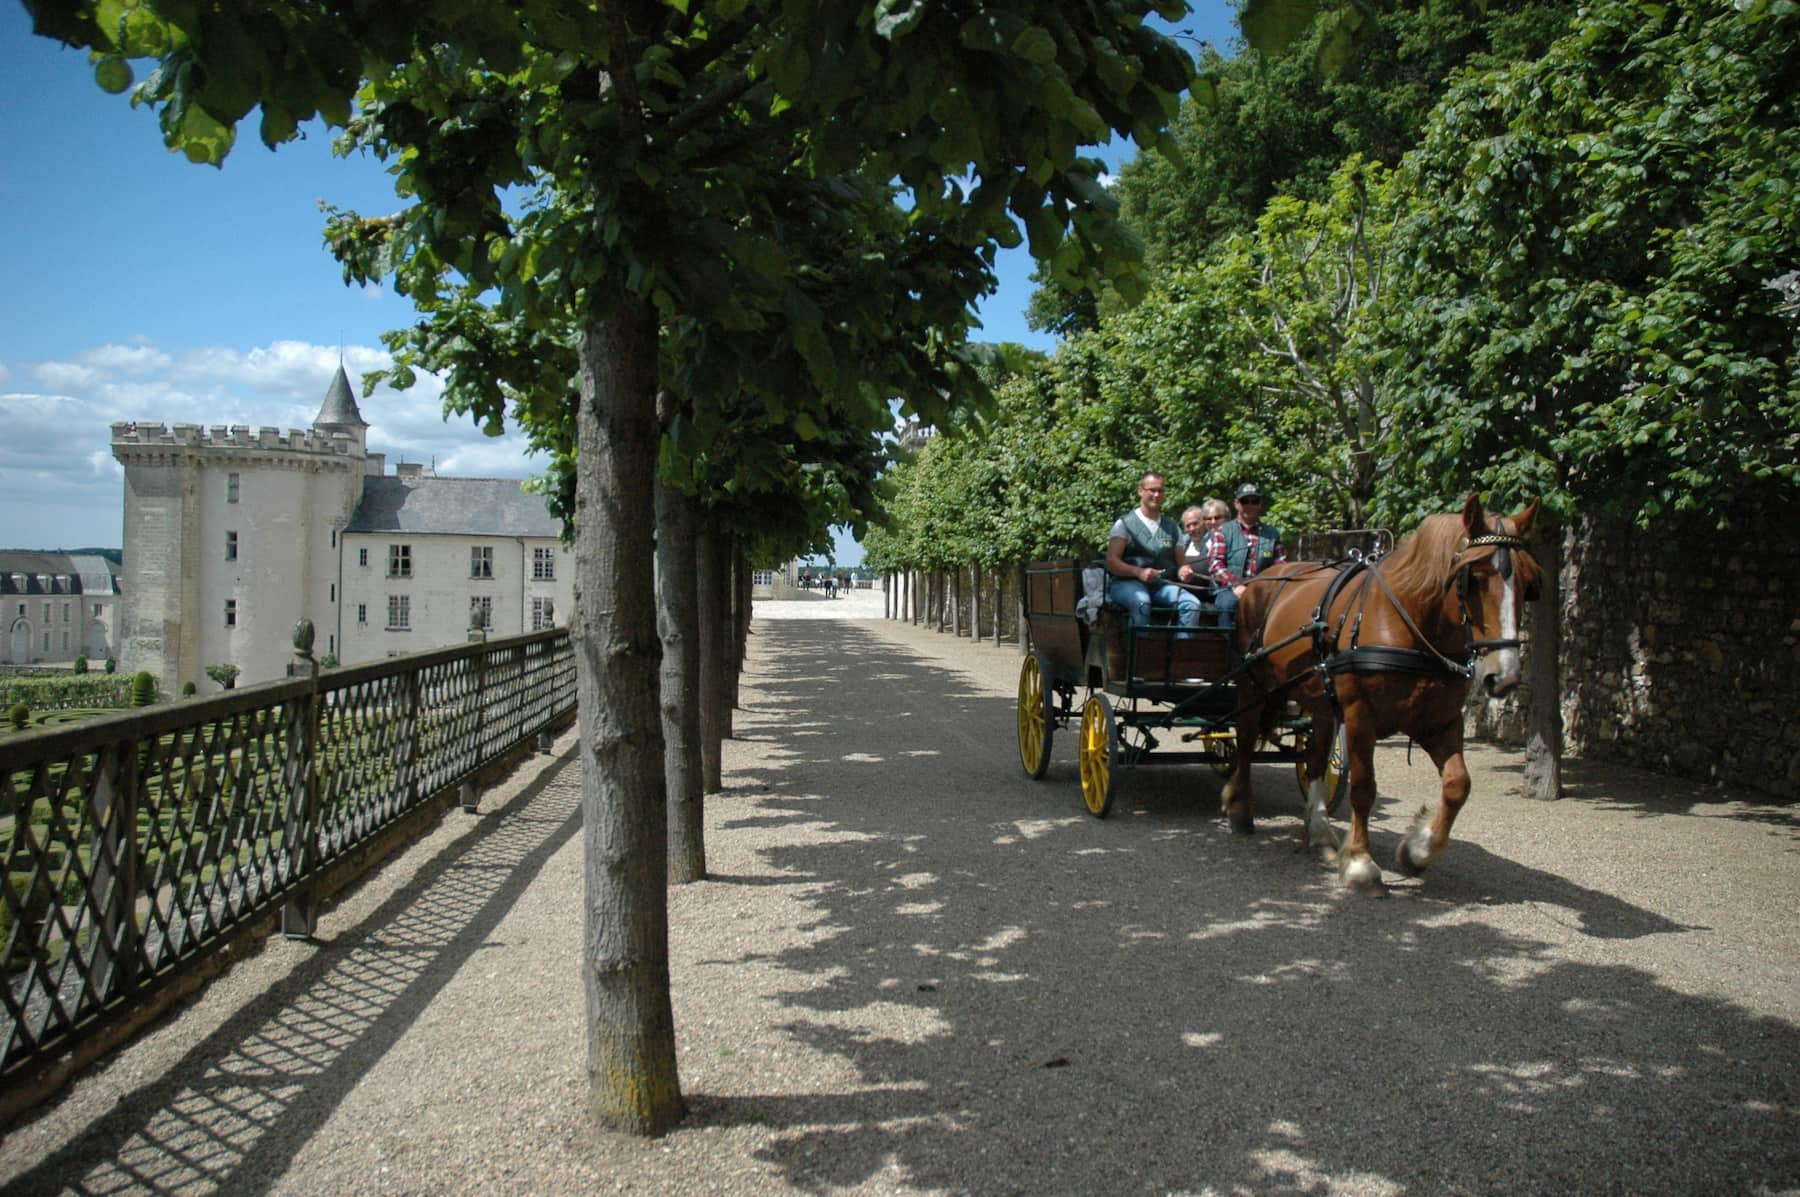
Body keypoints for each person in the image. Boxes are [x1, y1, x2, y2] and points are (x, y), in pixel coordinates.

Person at [1105, 471, 1202, 628]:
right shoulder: (1124, 524)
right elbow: (1112, 562)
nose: (1156, 495)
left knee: (1192, 604)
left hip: (1161, 586)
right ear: (1141, 491)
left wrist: (1184, 571)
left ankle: (1183, 648)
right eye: (1152, 490)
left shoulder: (1172, 527)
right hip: (1127, 584)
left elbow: (1181, 564)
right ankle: (1140, 650)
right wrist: (1139, 572)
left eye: (1160, 491)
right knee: (1141, 602)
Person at [1208, 482, 1286, 630]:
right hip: (1228, 590)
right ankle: (1228, 650)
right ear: (1237, 504)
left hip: (1262, 589)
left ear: (1260, 504)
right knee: (1228, 605)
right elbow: (1215, 564)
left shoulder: (1272, 534)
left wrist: (1263, 586)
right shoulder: (1223, 531)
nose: (1250, 505)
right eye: (1245, 501)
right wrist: (1236, 585)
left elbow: (1280, 564)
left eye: (1254, 501)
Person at [1178, 499, 1230, 609]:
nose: (1192, 529)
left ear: (1203, 524)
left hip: (1213, 596)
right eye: (1188, 526)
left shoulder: (1215, 541)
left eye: (1195, 524)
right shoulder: (1182, 544)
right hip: (1187, 596)